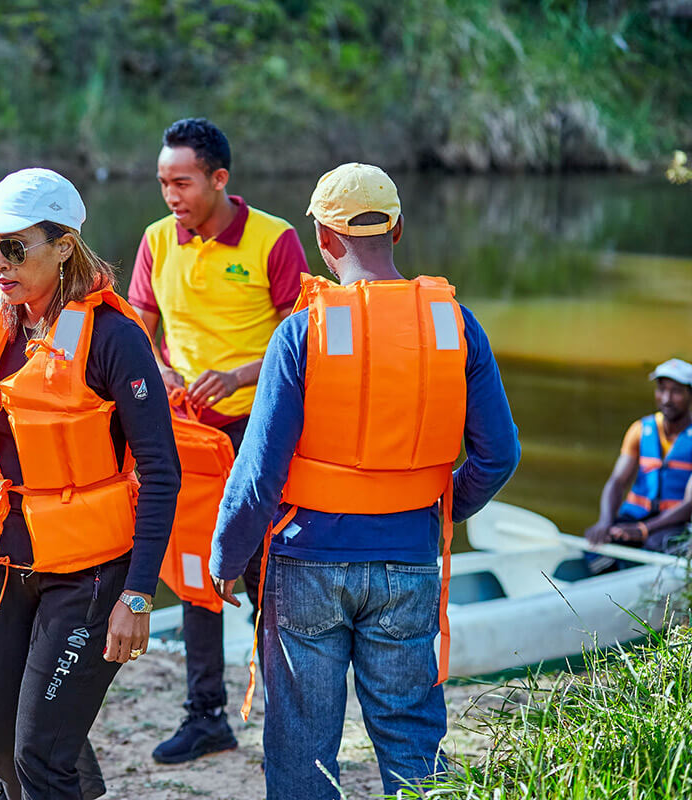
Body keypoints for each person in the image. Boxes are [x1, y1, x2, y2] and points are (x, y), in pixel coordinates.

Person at [209, 163, 520, 800]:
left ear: (324, 240)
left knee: (302, 745)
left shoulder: (301, 332)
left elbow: (260, 474)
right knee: (411, 741)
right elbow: (499, 456)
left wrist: (225, 556)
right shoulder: (456, 326)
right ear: (398, 229)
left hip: (305, 563)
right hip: (409, 561)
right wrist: (437, 511)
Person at [0, 168, 181, 800]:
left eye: (14, 248)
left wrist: (137, 597)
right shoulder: (0, 321)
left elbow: (162, 472)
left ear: (63, 245)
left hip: (90, 575)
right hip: (6, 559)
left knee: (40, 757)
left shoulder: (115, 339)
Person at [127, 117, 310, 763]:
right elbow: (136, 330)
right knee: (198, 571)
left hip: (262, 430)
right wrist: (163, 368)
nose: (171, 194)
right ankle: (206, 716)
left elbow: (304, 339)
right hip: (189, 433)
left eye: (182, 181)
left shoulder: (275, 239)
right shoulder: (156, 241)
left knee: (267, 573)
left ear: (219, 178)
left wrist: (238, 374)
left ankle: (290, 720)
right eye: (163, 182)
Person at [583, 358, 692, 561]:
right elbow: (617, 481)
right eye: (661, 389)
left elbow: (689, 504)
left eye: (676, 391)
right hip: (635, 516)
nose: (666, 399)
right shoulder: (640, 430)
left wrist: (642, 530)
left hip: (673, 524)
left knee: (655, 545)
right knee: (595, 548)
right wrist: (605, 522)